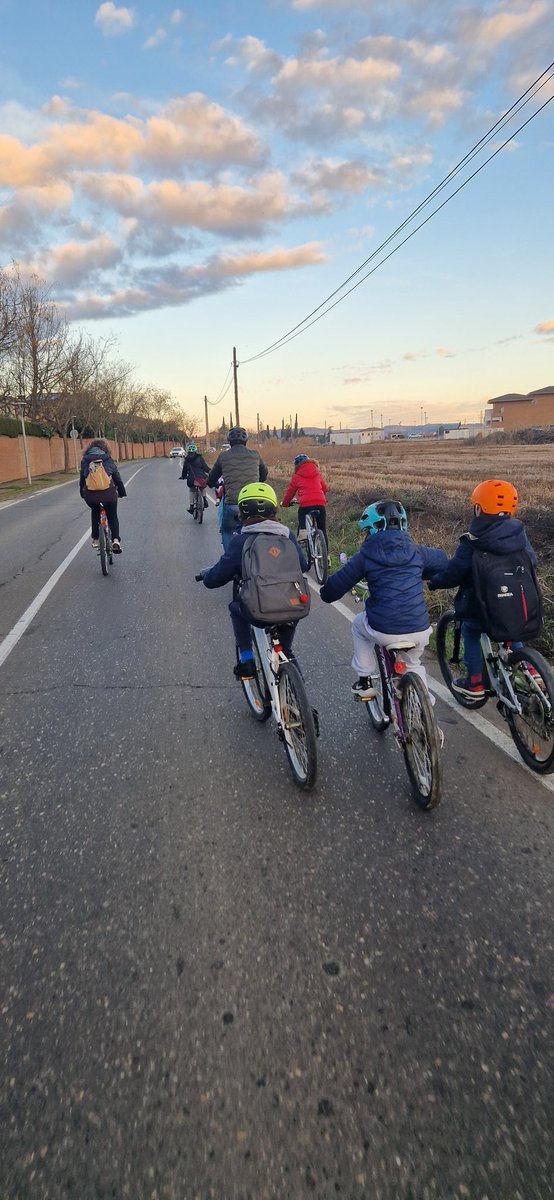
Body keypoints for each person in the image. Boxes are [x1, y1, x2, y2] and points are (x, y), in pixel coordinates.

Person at [319, 499, 448, 700]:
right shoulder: (417, 552)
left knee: (358, 625)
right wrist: (420, 572)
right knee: (413, 664)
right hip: (420, 629)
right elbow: (443, 561)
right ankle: (425, 713)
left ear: (372, 529)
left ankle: (364, 680)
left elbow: (331, 591)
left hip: (384, 630)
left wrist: (325, 591)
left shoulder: (365, 556)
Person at [428, 479, 538, 699]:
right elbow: (532, 561)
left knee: (470, 630)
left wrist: (435, 581)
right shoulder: (519, 534)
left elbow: (454, 573)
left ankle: (475, 683)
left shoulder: (472, 540)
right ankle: (533, 671)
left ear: (478, 508)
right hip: (520, 602)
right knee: (511, 627)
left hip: (482, 607)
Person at [198, 482, 308, 679]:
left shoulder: (241, 541)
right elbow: (303, 565)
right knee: (286, 651)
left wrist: (207, 578)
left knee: (236, 608)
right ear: (274, 509)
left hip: (259, 609)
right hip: (292, 605)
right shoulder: (287, 535)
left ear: (242, 513)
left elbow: (218, 576)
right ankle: (298, 694)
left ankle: (247, 659)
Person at [208, 427, 268, 551]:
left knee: (227, 531)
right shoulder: (255, 455)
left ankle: (230, 558)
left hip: (233, 504)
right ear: (246, 440)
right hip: (254, 503)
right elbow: (264, 474)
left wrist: (211, 483)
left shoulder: (223, 456)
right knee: (258, 530)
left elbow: (212, 478)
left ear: (229, 441)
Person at [79, 438, 126, 552]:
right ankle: (115, 540)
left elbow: (82, 480)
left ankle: (95, 539)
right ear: (105, 448)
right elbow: (117, 479)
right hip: (109, 495)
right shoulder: (108, 459)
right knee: (112, 516)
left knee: (95, 512)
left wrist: (82, 493)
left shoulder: (85, 460)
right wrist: (121, 492)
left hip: (91, 496)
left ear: (89, 449)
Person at [281, 453, 329, 549]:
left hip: (306, 504)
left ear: (296, 466)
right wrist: (319, 496)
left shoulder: (297, 476)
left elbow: (290, 493)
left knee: (301, 514)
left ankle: (303, 533)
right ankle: (326, 555)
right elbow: (325, 488)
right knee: (322, 529)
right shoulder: (317, 473)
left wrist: (285, 504)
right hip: (320, 503)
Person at [180, 443, 209, 514]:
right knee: (202, 487)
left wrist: (183, 476)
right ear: (196, 451)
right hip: (201, 477)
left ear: (188, 452)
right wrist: (211, 472)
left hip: (191, 478)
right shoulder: (200, 458)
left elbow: (184, 470)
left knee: (191, 490)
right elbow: (205, 468)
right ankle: (205, 500)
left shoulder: (187, 460)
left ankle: (191, 506)